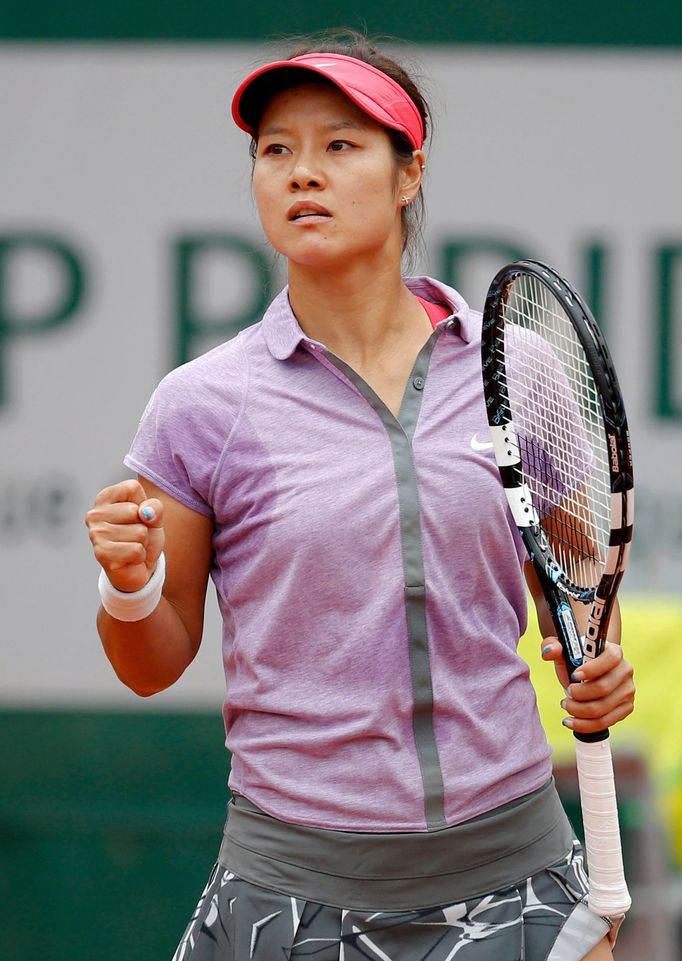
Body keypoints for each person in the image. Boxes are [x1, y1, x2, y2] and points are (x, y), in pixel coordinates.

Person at [85, 32, 635, 961]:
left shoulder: (513, 370)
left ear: (408, 172)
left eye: (341, 146)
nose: (304, 172)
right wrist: (130, 584)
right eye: (276, 150)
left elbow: (578, 584)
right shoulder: (201, 405)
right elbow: (150, 662)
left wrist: (601, 662)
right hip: (293, 894)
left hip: (518, 877)